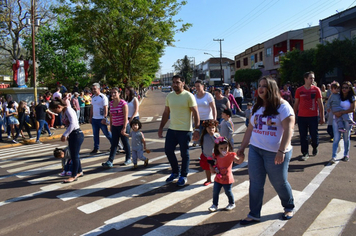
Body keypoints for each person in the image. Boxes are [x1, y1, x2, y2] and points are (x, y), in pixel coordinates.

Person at [237, 76, 295, 224]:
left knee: (279, 182)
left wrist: (281, 151)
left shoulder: (283, 106)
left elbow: (289, 129)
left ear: (272, 89)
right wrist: (242, 148)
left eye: (264, 86)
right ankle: (254, 214)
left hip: (276, 152)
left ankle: (288, 206)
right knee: (255, 183)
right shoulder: (257, 107)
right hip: (256, 150)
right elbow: (250, 129)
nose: (260, 88)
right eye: (259, 86)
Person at [158, 75, 200, 187]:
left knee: (184, 153)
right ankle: (175, 172)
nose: (175, 84)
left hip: (185, 130)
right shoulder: (170, 96)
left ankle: (183, 175)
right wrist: (161, 127)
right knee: (168, 150)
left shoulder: (189, 96)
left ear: (183, 83)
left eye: (177, 82)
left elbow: (196, 113)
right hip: (172, 129)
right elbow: (166, 113)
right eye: (174, 82)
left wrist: (197, 129)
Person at [49, 98, 84, 183]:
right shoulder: (64, 111)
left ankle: (74, 175)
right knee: (74, 155)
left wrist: (65, 134)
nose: (55, 112)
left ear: (59, 106)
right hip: (72, 134)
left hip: (77, 134)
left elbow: (73, 124)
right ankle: (79, 171)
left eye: (55, 110)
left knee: (74, 156)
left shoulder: (68, 110)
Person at [293, 71, 324, 161]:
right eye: (310, 78)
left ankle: (315, 146)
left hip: (313, 116)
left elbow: (320, 104)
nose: (312, 80)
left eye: (313, 78)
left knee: (314, 134)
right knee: (303, 136)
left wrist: (322, 117)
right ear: (305, 79)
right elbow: (296, 104)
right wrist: (294, 116)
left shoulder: (316, 89)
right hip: (302, 117)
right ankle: (305, 152)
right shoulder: (299, 90)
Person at [208, 136, 244, 212]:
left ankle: (232, 203)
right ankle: (215, 204)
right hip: (218, 178)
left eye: (226, 147)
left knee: (228, 191)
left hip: (227, 178)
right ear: (217, 148)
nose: (224, 150)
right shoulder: (216, 156)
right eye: (221, 148)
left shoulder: (231, 155)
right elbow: (213, 164)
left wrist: (242, 157)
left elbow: (238, 161)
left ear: (229, 147)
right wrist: (212, 168)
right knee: (215, 192)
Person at [102, 87, 131, 167]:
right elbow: (111, 115)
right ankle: (110, 161)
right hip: (115, 126)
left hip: (123, 125)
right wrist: (111, 126)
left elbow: (125, 117)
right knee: (114, 143)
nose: (113, 94)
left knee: (125, 142)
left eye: (115, 92)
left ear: (119, 93)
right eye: (112, 93)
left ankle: (128, 158)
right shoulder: (111, 103)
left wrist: (124, 128)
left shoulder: (123, 103)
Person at [329, 81, 356, 164]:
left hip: (347, 120)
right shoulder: (337, 95)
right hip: (336, 119)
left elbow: (352, 109)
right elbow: (331, 104)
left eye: (346, 87)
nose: (344, 89)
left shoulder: (352, 97)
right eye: (343, 87)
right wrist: (334, 112)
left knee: (346, 138)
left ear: (350, 88)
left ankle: (346, 155)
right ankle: (333, 156)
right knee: (336, 138)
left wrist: (341, 113)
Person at [90, 83, 112, 154]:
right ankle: (96, 148)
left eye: (95, 89)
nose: (93, 90)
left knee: (107, 133)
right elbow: (92, 107)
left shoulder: (103, 97)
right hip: (94, 119)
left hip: (101, 118)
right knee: (95, 134)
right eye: (93, 89)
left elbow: (106, 107)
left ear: (99, 89)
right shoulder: (93, 97)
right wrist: (91, 117)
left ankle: (116, 144)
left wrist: (104, 117)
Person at [193, 80, 216, 146]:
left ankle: (211, 154)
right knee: (201, 140)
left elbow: (213, 108)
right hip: (198, 121)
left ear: (202, 86)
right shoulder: (194, 96)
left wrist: (214, 120)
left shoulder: (208, 95)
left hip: (208, 120)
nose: (197, 88)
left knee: (209, 138)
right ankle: (204, 154)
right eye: (195, 86)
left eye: (198, 86)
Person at [199, 119, 219, 186]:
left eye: (213, 127)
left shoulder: (216, 135)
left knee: (217, 168)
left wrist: (213, 135)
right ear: (206, 128)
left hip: (215, 156)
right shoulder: (204, 135)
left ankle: (218, 179)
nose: (211, 129)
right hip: (206, 155)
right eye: (209, 128)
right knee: (207, 168)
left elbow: (218, 142)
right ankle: (208, 179)